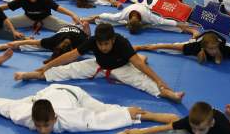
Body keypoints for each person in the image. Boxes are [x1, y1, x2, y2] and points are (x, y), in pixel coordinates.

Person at [15, 23, 184, 102]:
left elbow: (139, 64)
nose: (103, 47)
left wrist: (159, 80)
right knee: (69, 69)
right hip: (98, 65)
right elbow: (71, 55)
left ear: (112, 40)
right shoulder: (93, 40)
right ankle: (35, 75)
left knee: (142, 81)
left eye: (106, 44)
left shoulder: (122, 42)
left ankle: (168, 93)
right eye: (100, 44)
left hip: (121, 67)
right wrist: (47, 66)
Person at [0, 84, 176, 134]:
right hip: (43, 95)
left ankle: (149, 114)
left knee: (106, 109)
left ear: (54, 119)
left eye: (46, 125)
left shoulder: (71, 120)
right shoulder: (24, 115)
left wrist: (126, 113)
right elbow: (4, 106)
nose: (42, 130)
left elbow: (99, 120)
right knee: (12, 103)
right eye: (39, 126)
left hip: (75, 96)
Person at [135, 29, 230, 65]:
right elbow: (168, 46)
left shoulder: (223, 48)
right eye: (210, 49)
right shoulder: (195, 48)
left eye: (214, 48)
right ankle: (194, 33)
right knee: (172, 49)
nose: (213, 51)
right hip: (199, 40)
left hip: (218, 39)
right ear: (205, 48)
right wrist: (142, 47)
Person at [3, 0, 82, 32]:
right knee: (4, 23)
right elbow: (8, 6)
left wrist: (72, 14)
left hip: (45, 19)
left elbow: (57, 8)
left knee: (70, 28)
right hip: (28, 18)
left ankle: (81, 29)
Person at [82, 1, 196, 34]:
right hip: (130, 13)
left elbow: (165, 21)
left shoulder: (149, 17)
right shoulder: (123, 15)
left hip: (144, 10)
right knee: (113, 21)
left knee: (160, 25)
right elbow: (108, 16)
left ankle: (186, 30)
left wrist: (184, 24)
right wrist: (90, 18)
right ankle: (94, 21)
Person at [0, 23, 89, 61]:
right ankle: (1, 46)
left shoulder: (82, 42)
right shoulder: (52, 41)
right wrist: (18, 43)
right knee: (34, 45)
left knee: (88, 37)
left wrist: (86, 27)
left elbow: (89, 37)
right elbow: (35, 42)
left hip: (76, 29)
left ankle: (85, 25)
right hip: (64, 31)